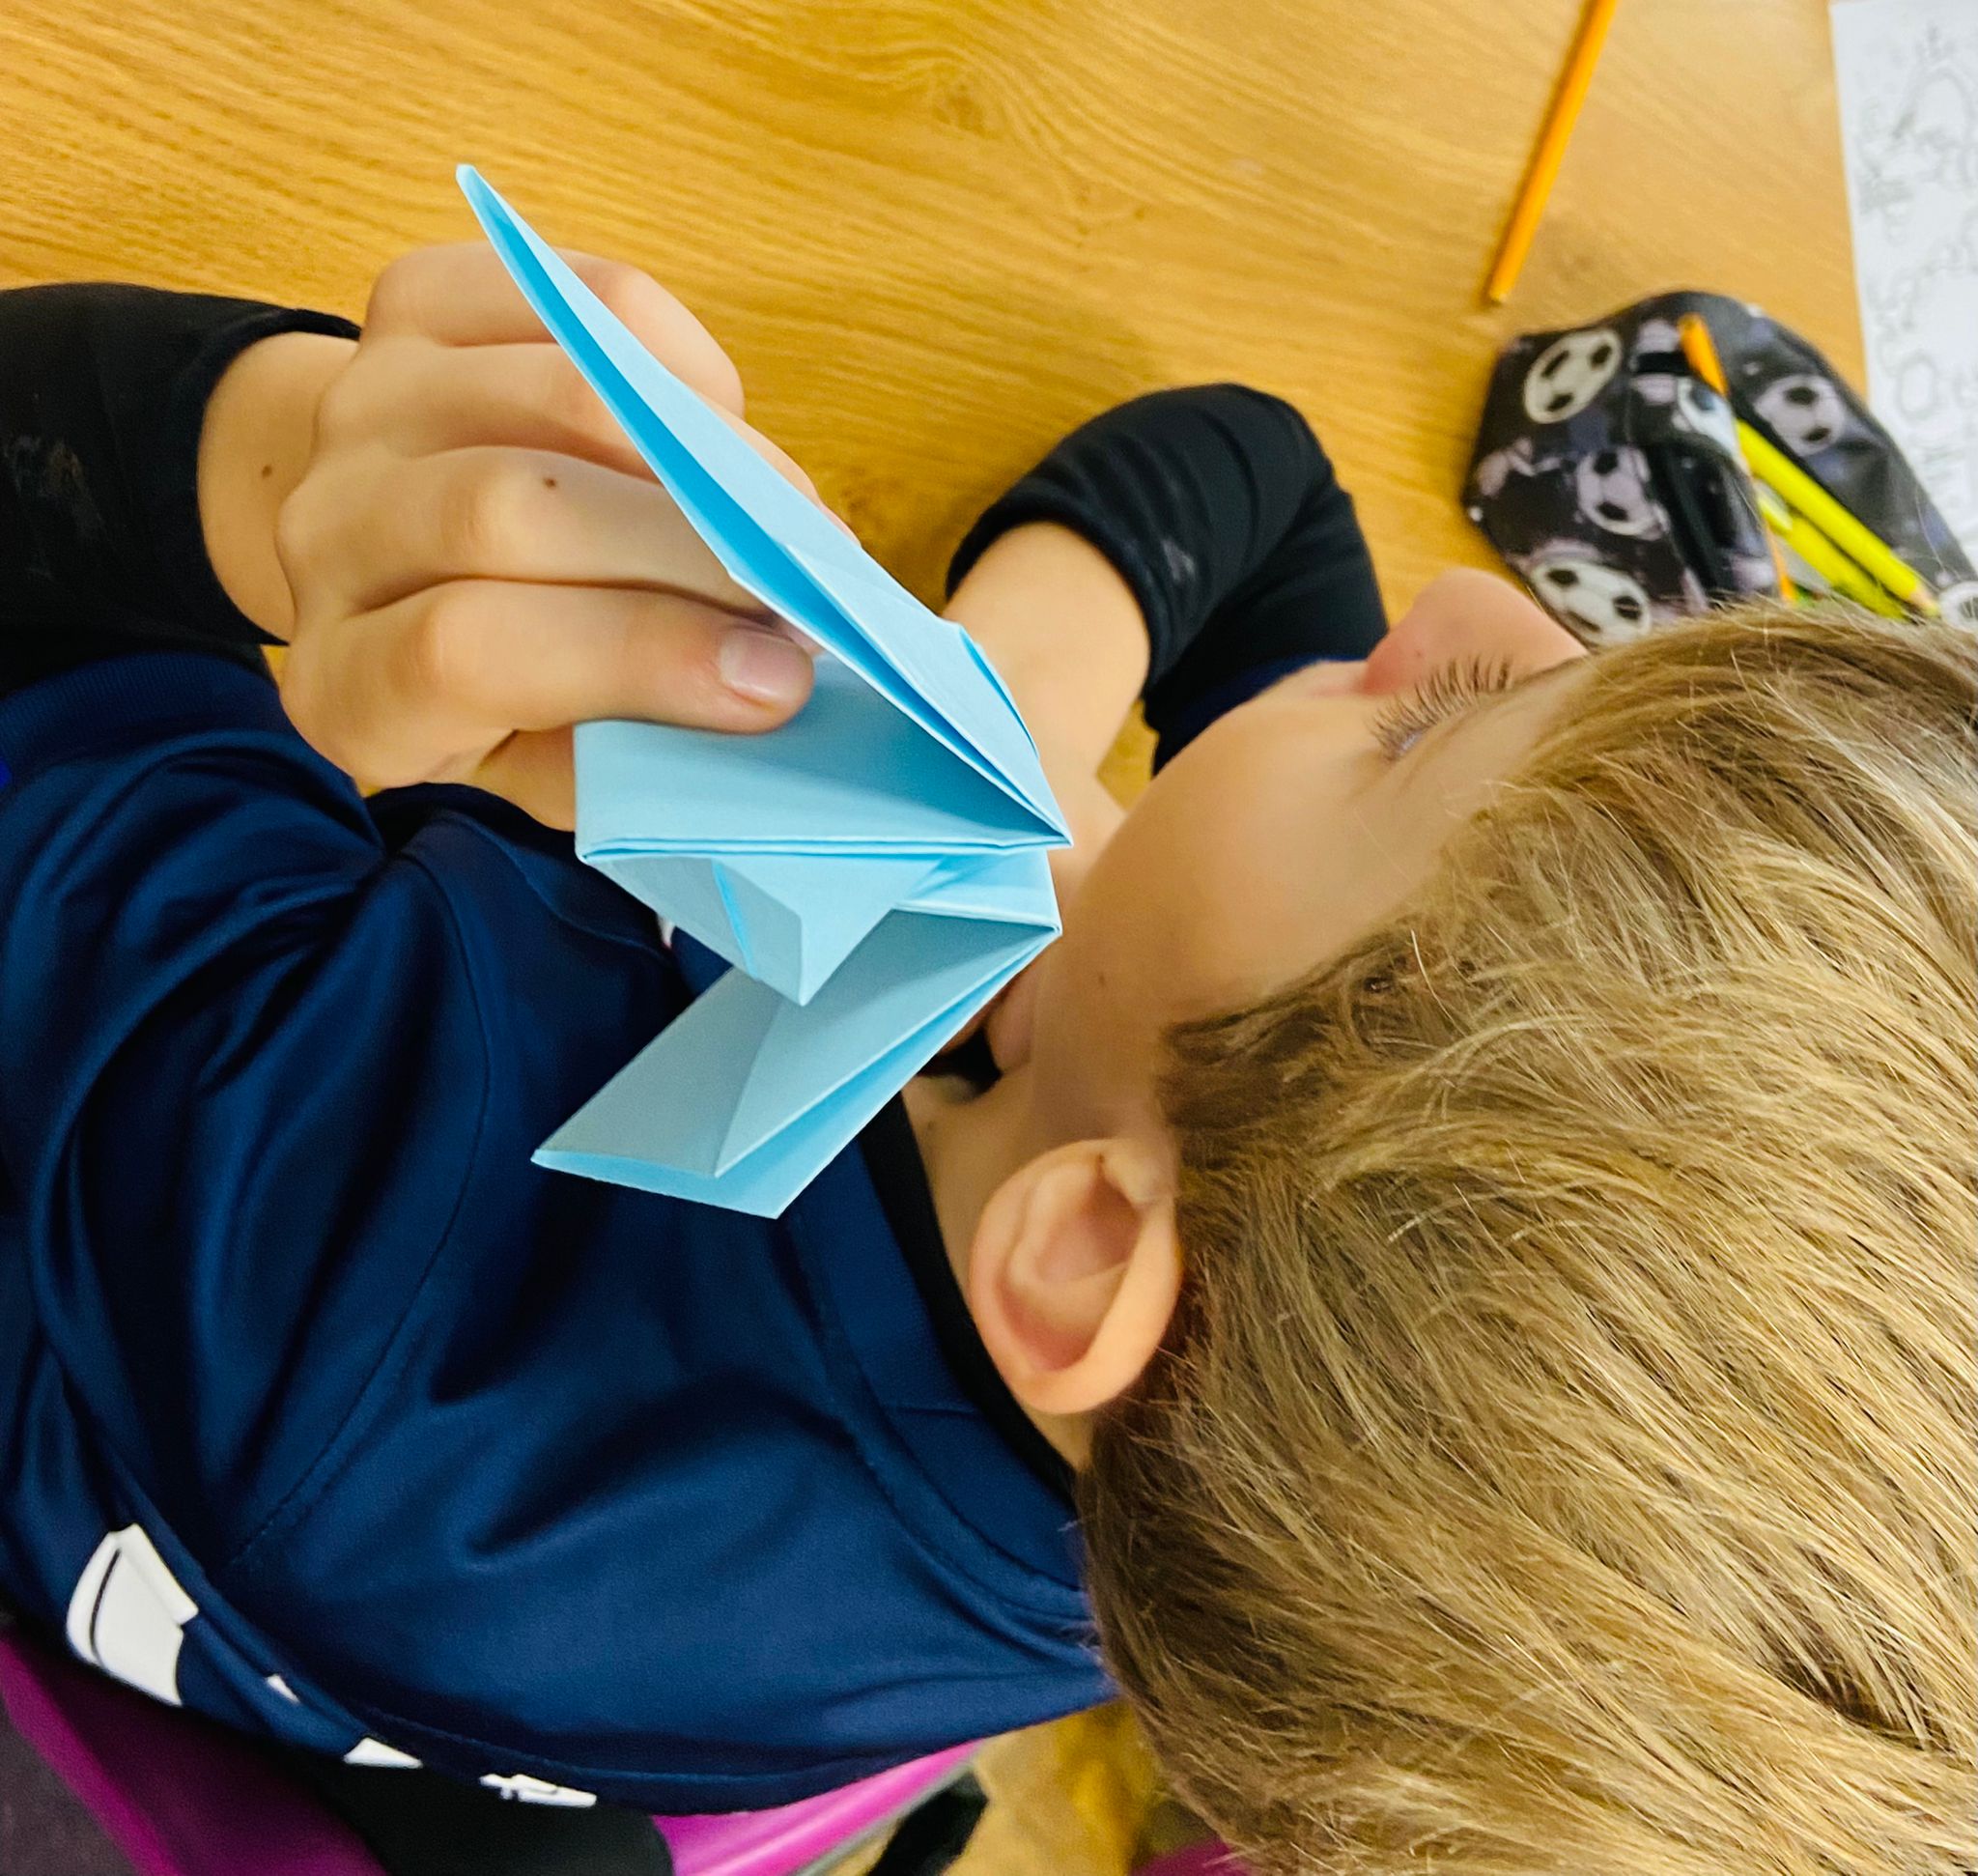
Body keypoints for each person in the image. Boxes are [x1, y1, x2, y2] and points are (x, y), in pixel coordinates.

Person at [0, 244, 1970, 1876]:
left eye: (1423, 721)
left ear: (1090, 1250)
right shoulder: (1230, 1504)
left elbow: (47, 551)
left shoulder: (353, 1198)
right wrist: (1030, 751)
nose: (1463, 600)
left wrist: (281, 454)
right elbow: (1266, 478)